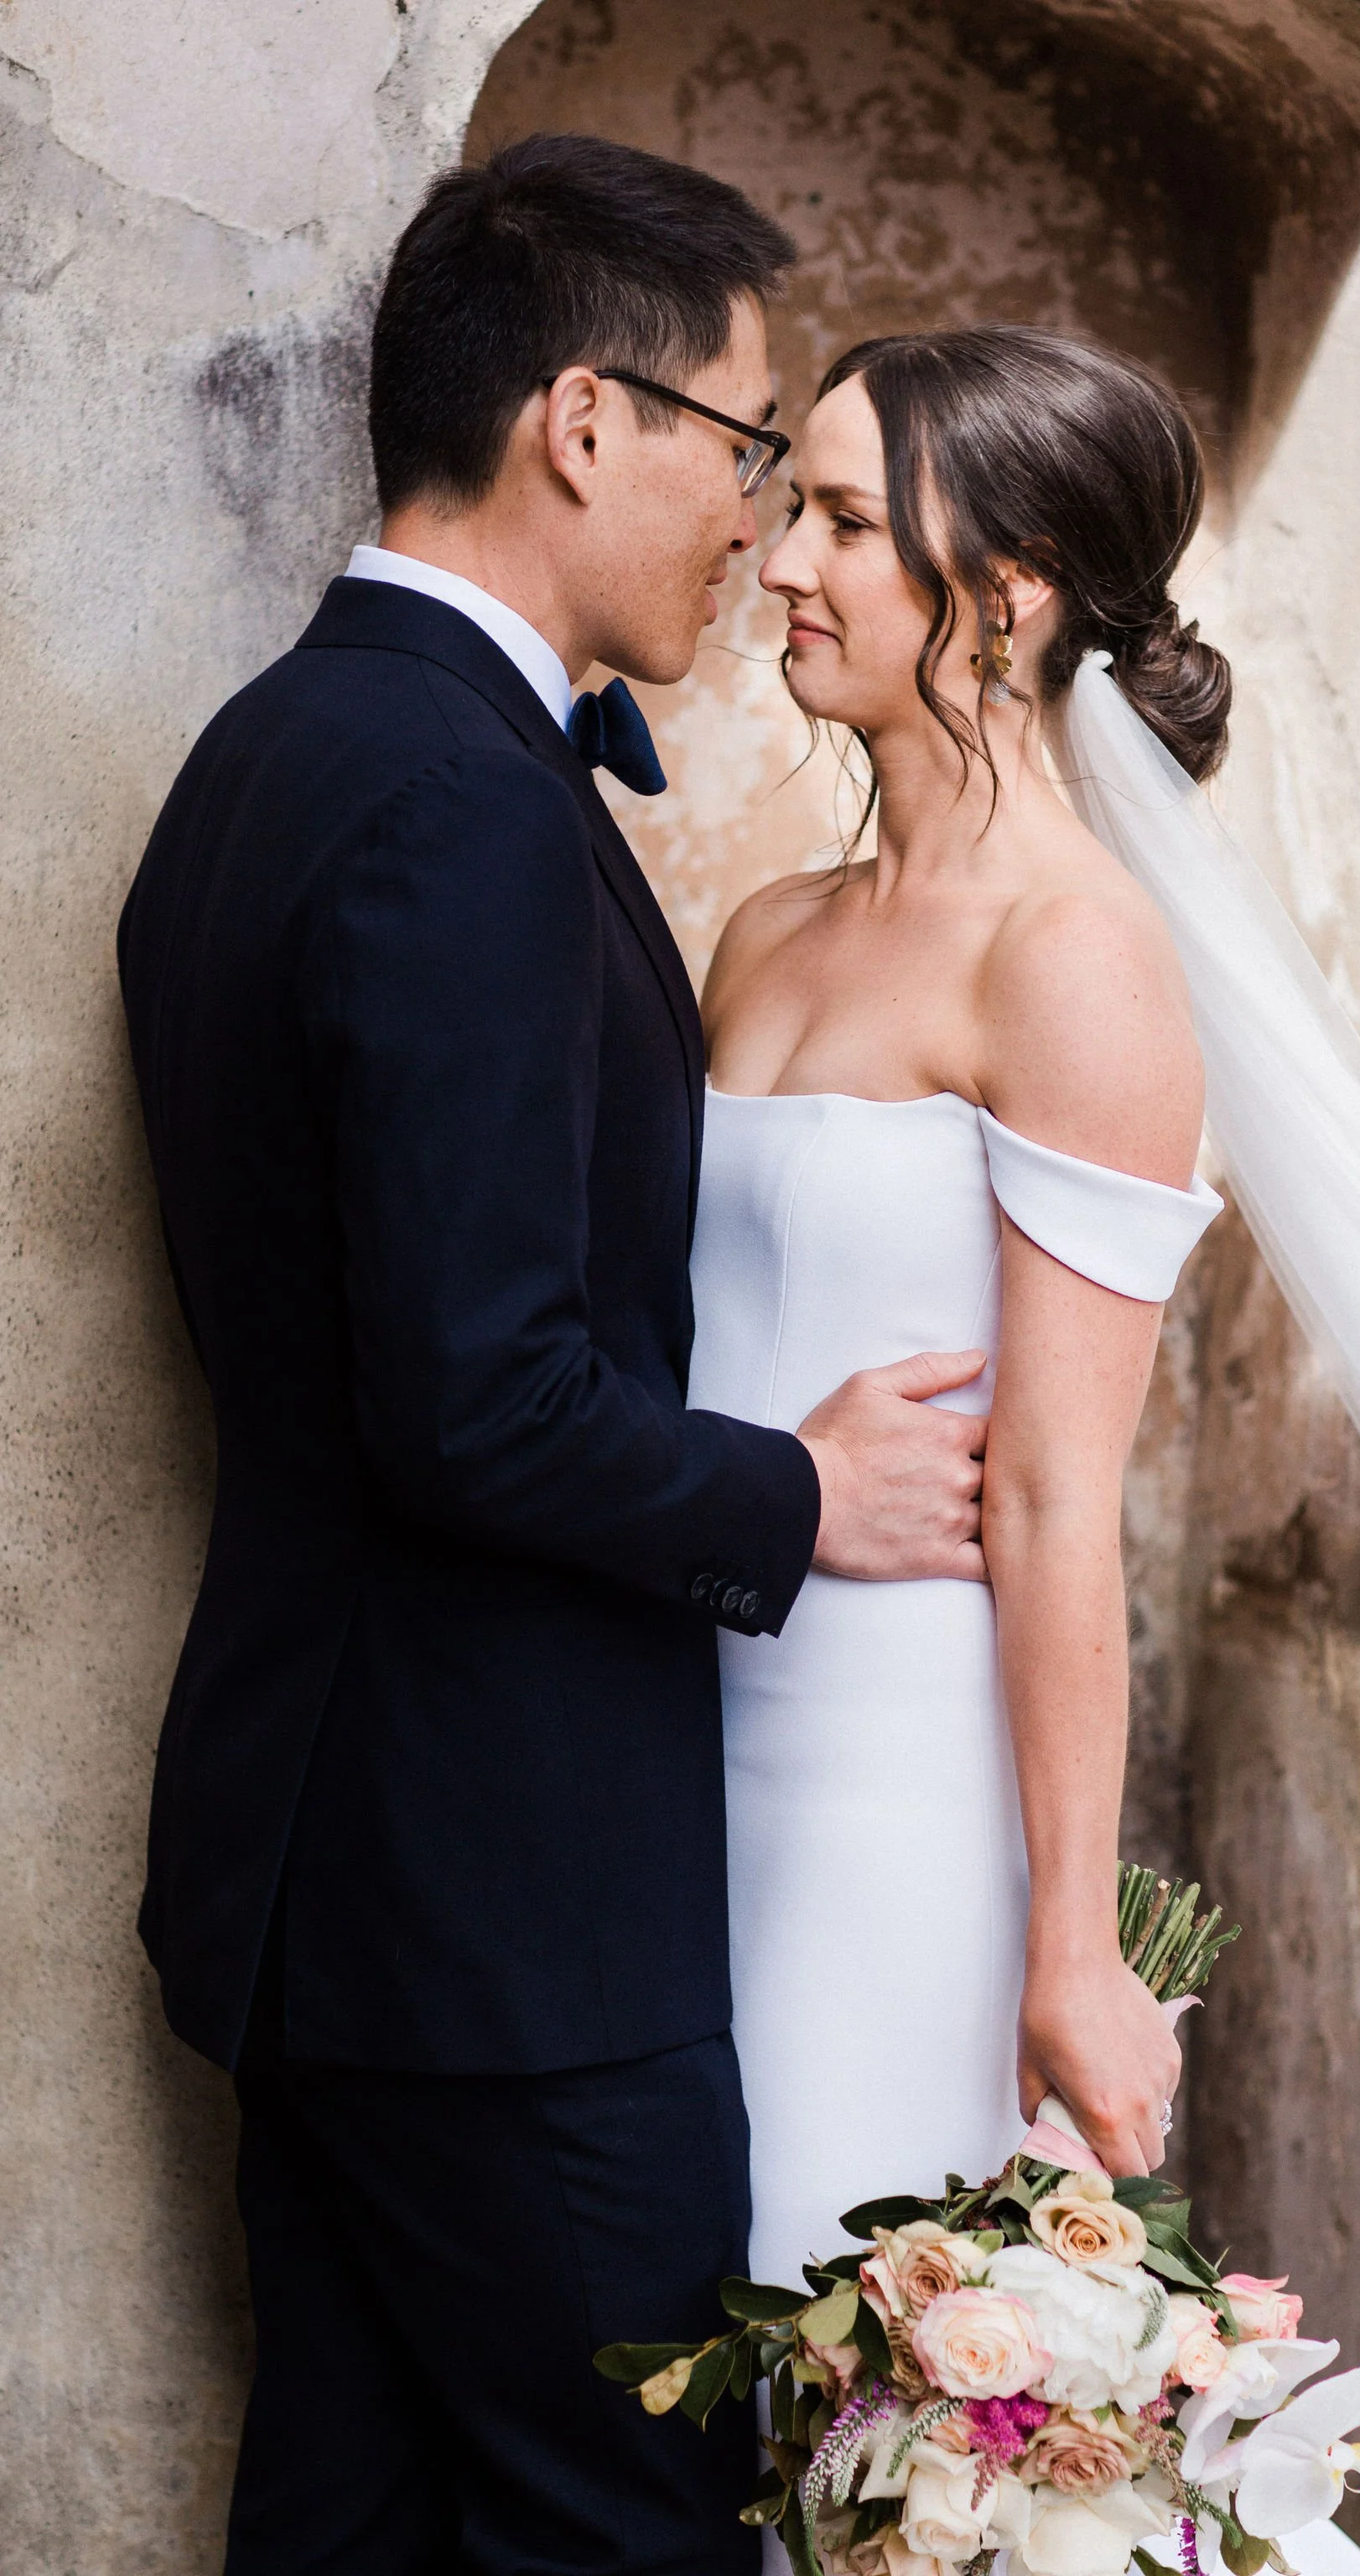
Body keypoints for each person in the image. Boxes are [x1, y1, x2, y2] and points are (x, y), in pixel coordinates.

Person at [117, 140, 989, 2575]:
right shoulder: (453, 805)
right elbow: (475, 1394)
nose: (752, 521)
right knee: (617, 2532)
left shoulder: (277, 752)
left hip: (340, 1886)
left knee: (350, 2523)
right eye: (742, 447)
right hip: (499, 1930)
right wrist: (796, 1494)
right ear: (582, 424)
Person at [693, 325, 1230, 2314]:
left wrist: (1071, 1944)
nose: (779, 565)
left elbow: (1059, 1503)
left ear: (1001, 594)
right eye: (790, 509)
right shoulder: (765, 928)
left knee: (831, 2342)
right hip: (672, 1741)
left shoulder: (1072, 955)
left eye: (842, 520)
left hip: (891, 1786)